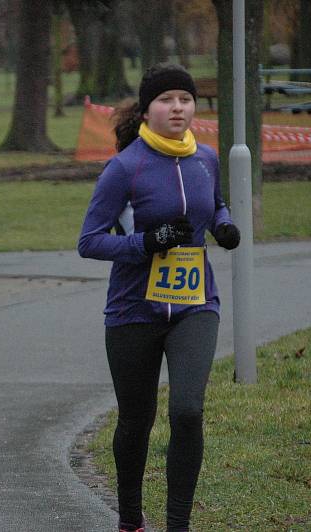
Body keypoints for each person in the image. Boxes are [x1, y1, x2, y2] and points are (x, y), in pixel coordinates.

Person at [78, 64, 240, 532]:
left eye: (185, 99)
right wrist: (144, 244)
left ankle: (178, 525)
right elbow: (89, 240)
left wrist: (223, 225)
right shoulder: (125, 167)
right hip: (133, 310)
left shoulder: (206, 158)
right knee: (136, 420)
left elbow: (214, 202)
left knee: (187, 409)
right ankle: (130, 518)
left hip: (195, 304)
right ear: (147, 110)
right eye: (167, 100)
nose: (177, 108)